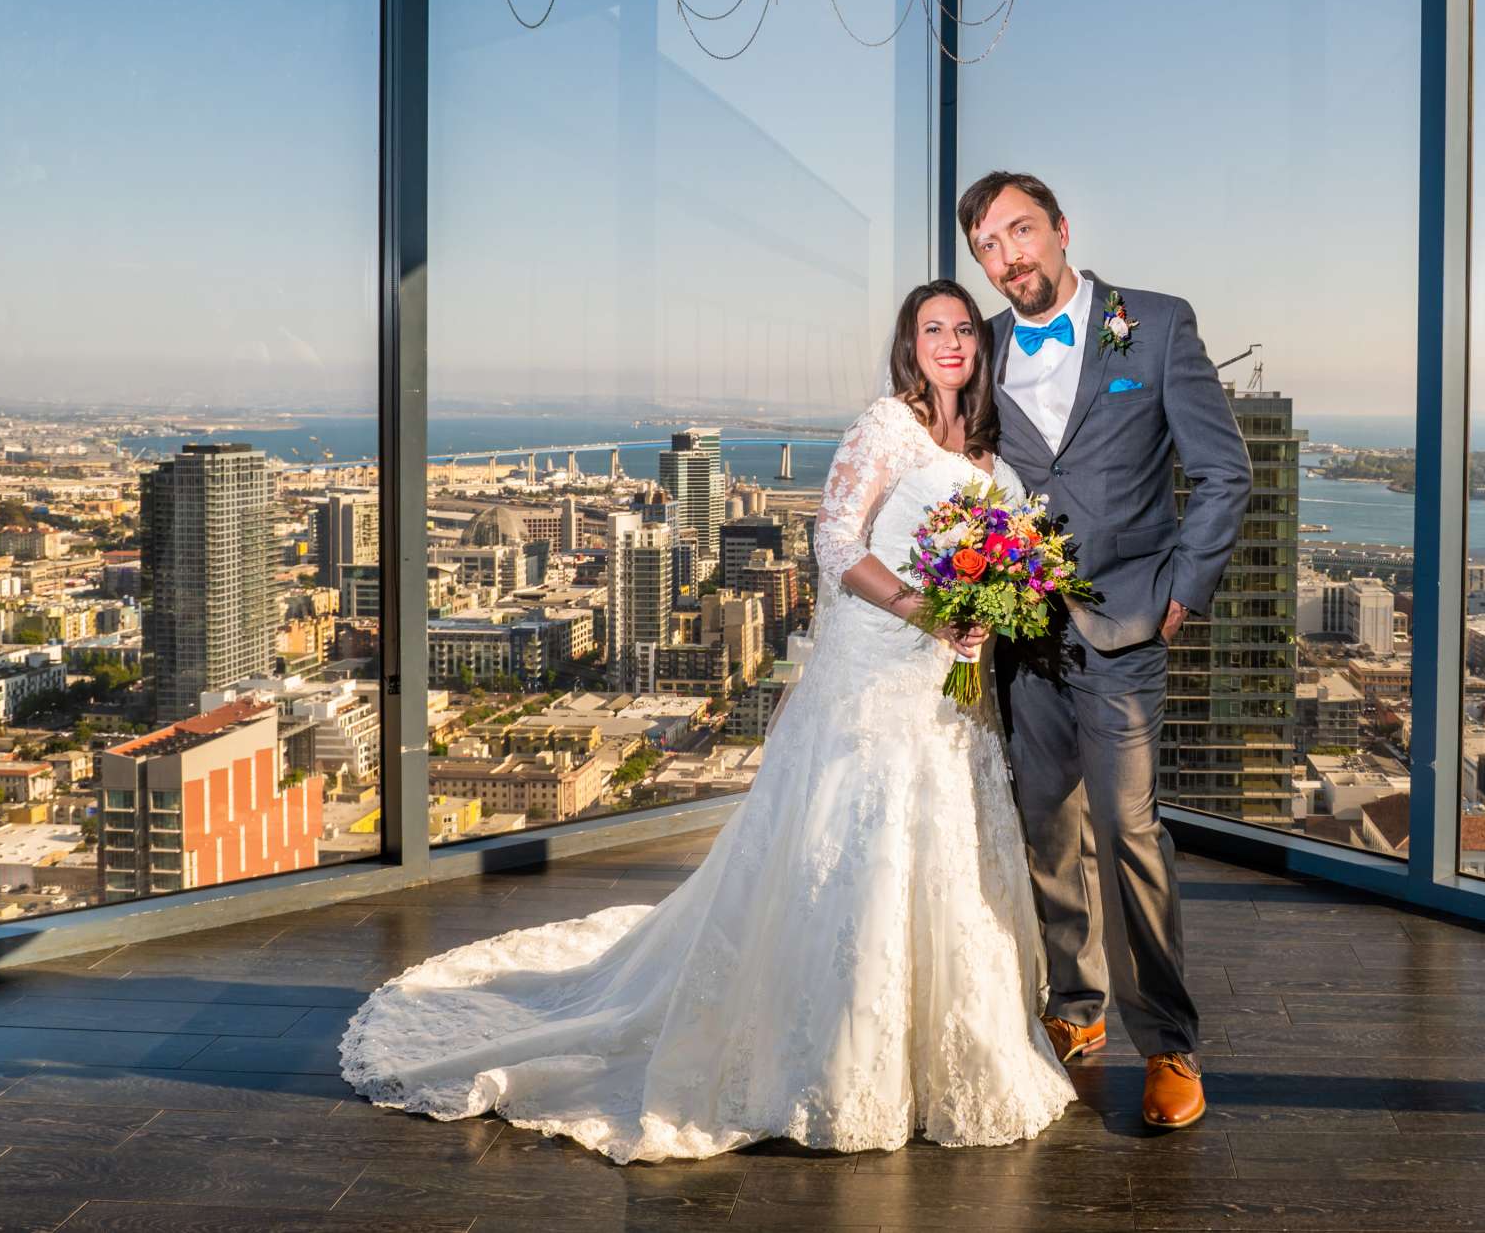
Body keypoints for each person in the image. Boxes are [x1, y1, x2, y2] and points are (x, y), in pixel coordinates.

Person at [337, 279, 1076, 1162]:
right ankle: (837, 1057)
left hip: (952, 693)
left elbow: (1009, 563)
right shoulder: (885, 425)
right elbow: (836, 541)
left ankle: (943, 1054)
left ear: (979, 348)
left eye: (963, 328)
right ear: (907, 344)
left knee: (946, 850)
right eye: (932, 329)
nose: (950, 342)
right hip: (878, 671)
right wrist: (928, 611)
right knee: (855, 850)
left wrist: (985, 614)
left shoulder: (993, 456)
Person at [962, 171, 1251, 1132]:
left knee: (1130, 835)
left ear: (1060, 229)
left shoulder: (1157, 326)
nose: (1010, 258)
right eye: (989, 248)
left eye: (1021, 232)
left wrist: (1182, 594)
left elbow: (1223, 471)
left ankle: (1169, 1043)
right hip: (1024, 639)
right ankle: (1074, 1013)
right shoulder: (984, 350)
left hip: (1128, 629)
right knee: (1047, 831)